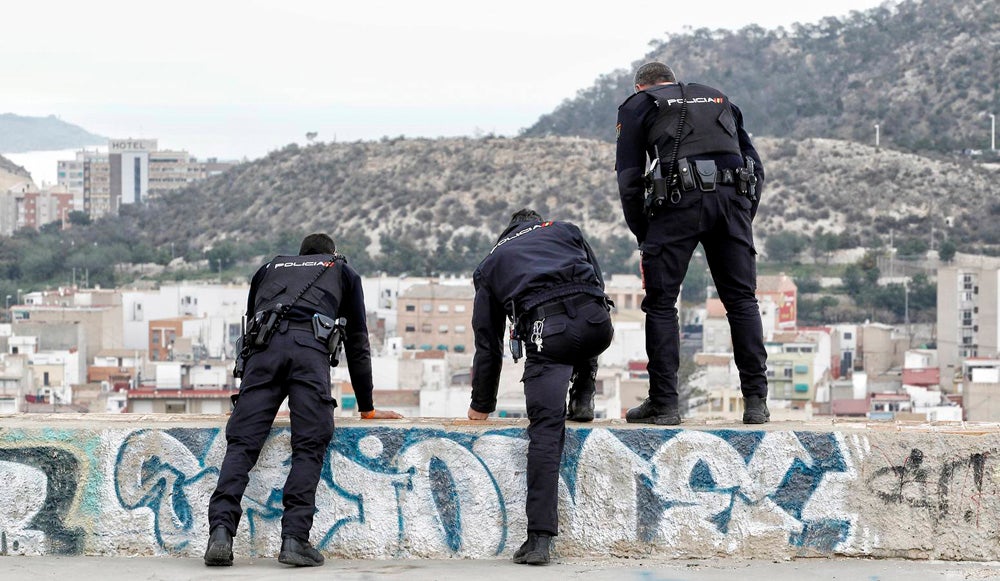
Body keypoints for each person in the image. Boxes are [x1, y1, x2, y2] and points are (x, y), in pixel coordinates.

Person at [204, 233, 403, 568]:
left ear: (299, 255)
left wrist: (246, 394)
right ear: (330, 252)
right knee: (309, 445)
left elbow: (252, 327)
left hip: (264, 355)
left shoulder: (269, 268)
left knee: (242, 443)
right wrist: (366, 407)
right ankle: (295, 539)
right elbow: (358, 342)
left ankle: (220, 533)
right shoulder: (341, 270)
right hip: (309, 353)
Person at [615, 61, 769, 425]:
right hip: (733, 201)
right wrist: (744, 214)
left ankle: (665, 405)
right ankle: (756, 403)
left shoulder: (639, 104)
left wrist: (643, 234)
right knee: (742, 301)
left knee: (662, 304)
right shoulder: (719, 98)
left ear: (642, 86)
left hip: (677, 205)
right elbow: (755, 167)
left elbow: (629, 177)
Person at [467, 208, 614, 566]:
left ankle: (539, 540)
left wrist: (481, 405)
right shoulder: (566, 230)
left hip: (548, 336)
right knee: (585, 322)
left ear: (507, 232)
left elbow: (488, 345)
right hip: (598, 324)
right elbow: (597, 282)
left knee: (547, 434)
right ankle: (584, 389)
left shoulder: (491, 264)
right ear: (537, 224)